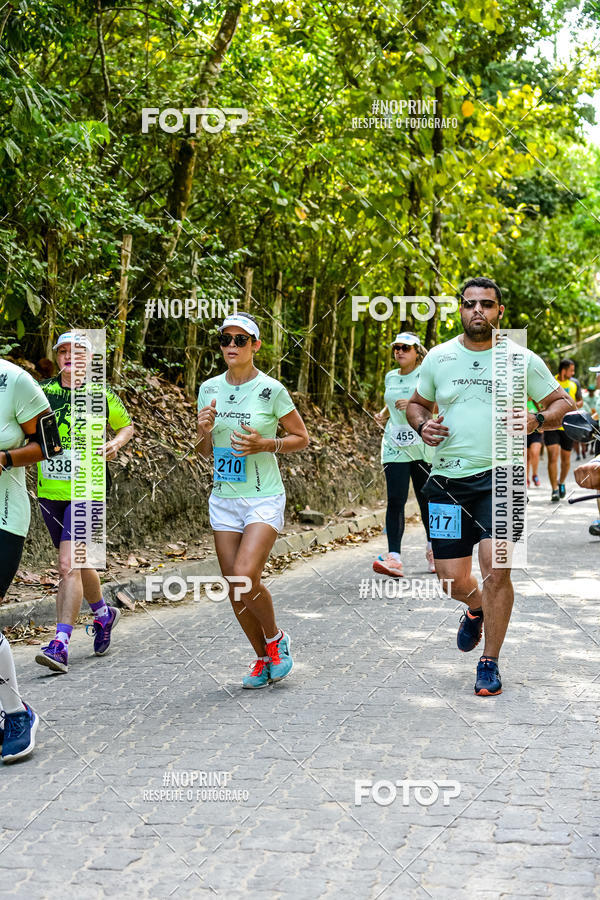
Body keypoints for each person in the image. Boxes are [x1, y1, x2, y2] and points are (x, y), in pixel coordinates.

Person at [406, 276, 573, 696]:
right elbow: (416, 404)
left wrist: (537, 419)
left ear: (500, 312)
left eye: (486, 304)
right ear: (460, 310)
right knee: (450, 579)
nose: (477, 310)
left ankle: (489, 661)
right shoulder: (439, 359)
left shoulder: (521, 358)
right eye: (469, 304)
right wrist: (424, 425)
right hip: (445, 480)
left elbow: (564, 404)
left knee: (496, 568)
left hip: (504, 477)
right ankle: (475, 608)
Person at [197, 313, 309, 689]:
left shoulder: (271, 389)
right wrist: (203, 431)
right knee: (234, 586)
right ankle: (262, 657)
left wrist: (266, 444)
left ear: (255, 346)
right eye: (225, 339)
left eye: (240, 340)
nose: (231, 345)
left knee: (246, 576)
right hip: (224, 497)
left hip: (263, 496)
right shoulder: (209, 387)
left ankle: (276, 638)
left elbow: (300, 438)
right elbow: (202, 452)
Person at [35, 333, 134, 674]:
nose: (68, 357)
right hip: (50, 491)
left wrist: (116, 443)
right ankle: (104, 614)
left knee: (67, 564)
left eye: (77, 352)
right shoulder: (42, 392)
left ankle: (60, 643)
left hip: (88, 490)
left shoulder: (101, 394)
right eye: (63, 351)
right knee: (79, 564)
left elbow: (126, 427)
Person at [0, 358, 60, 760]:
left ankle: (17, 714)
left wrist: (4, 459)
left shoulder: (15, 381)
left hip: (4, 516)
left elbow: (51, 444)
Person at [373, 332, 434, 577]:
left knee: (425, 500)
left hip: (421, 444)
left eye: (405, 348)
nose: (399, 351)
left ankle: (433, 550)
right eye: (396, 347)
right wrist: (384, 413)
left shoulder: (426, 375)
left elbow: (440, 405)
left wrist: (411, 404)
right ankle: (394, 558)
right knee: (395, 500)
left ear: (417, 352)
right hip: (394, 445)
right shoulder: (390, 376)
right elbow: (391, 401)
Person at [544, 358, 582, 501]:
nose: (573, 373)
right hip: (551, 424)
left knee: (566, 460)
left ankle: (561, 482)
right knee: (552, 456)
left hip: (568, 425)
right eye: (571, 370)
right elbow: (539, 398)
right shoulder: (550, 381)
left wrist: (574, 405)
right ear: (563, 370)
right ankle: (554, 489)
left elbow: (580, 400)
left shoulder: (575, 383)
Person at [526, 398, 542, 487]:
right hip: (523, 433)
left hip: (536, 433)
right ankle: (526, 478)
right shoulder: (518, 402)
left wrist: (542, 427)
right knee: (526, 456)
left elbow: (543, 418)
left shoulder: (536, 403)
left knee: (535, 453)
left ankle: (535, 474)